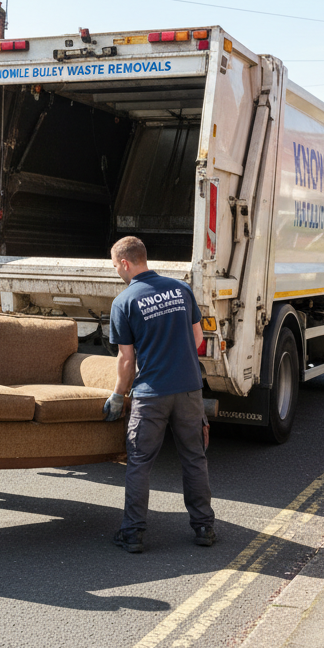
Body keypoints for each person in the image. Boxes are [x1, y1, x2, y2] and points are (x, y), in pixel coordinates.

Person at [103, 236, 216, 554]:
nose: (117, 272)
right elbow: (197, 337)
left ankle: (133, 534)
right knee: (194, 458)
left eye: (115, 266)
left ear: (125, 263)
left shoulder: (124, 302)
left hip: (151, 394)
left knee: (139, 462)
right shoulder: (181, 289)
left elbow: (127, 359)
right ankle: (204, 527)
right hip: (189, 389)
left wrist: (117, 395)